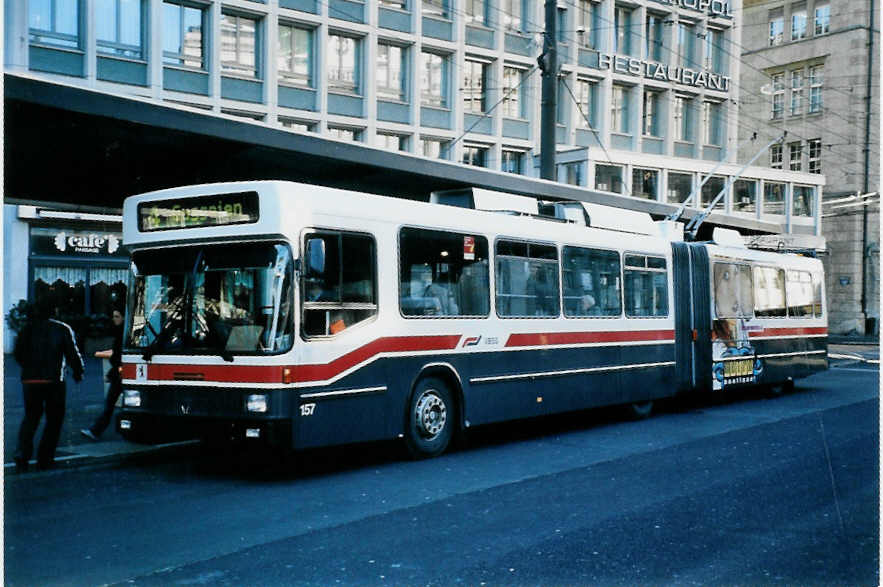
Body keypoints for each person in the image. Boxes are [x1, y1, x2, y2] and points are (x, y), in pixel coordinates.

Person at [14, 299, 84, 472]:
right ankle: (45, 458)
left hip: (30, 380)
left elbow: (18, 353)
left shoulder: (26, 329)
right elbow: (72, 353)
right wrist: (78, 372)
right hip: (54, 380)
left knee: (31, 417)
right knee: (54, 420)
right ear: (54, 310)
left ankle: (22, 454)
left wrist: (29, 367)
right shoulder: (62, 328)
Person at [81, 308, 124, 441]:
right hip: (121, 372)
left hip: (120, 372)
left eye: (117, 316)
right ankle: (96, 430)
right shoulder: (121, 332)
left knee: (110, 403)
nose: (114, 319)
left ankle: (96, 430)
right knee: (112, 403)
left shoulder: (120, 334)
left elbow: (117, 356)